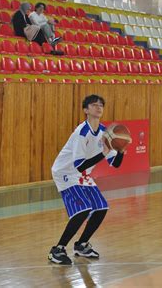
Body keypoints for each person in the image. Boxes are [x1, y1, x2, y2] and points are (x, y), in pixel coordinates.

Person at [48, 95, 125, 265]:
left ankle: (81, 245)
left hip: (81, 173)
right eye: (94, 105)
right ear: (85, 110)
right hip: (66, 172)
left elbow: (116, 164)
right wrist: (104, 152)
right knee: (83, 209)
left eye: (101, 105)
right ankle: (57, 249)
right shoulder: (81, 133)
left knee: (101, 207)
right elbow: (80, 166)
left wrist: (120, 151)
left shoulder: (105, 133)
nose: (99, 108)